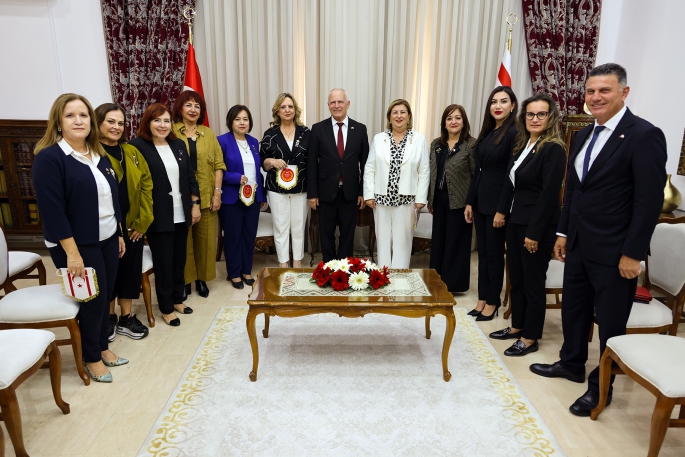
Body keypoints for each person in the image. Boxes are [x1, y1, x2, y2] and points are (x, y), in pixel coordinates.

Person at [529, 63, 667, 416]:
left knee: (610, 325)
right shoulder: (586, 134)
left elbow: (648, 202)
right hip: (577, 245)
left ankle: (601, 388)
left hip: (615, 253)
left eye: (604, 90)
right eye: (590, 91)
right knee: (574, 311)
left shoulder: (644, 135)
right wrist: (562, 233)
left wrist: (633, 254)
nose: (595, 97)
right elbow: (573, 190)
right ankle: (571, 363)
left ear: (624, 92)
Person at [33, 93, 127, 383]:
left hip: (108, 236)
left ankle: (102, 345)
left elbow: (112, 198)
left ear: (91, 121)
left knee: (107, 292)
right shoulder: (50, 158)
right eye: (71, 115)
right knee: (92, 299)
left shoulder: (99, 153)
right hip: (76, 243)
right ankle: (91, 357)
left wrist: (119, 232)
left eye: (83, 115)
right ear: (59, 123)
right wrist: (72, 254)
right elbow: (53, 212)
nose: (78, 120)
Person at [488, 94, 566, 357]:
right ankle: (517, 327)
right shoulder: (524, 145)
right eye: (530, 114)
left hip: (537, 227)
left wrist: (534, 233)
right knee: (517, 280)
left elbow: (548, 195)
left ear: (550, 117)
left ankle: (531, 337)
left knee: (533, 283)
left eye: (541, 114)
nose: (535, 119)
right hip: (516, 222)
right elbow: (512, 184)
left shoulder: (553, 148)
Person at [129, 103, 200, 327]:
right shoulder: (137, 147)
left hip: (182, 212)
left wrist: (195, 204)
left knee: (179, 259)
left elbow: (190, 176)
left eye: (167, 121)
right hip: (158, 215)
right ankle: (166, 307)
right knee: (164, 262)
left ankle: (178, 298)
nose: (162, 125)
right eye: (157, 120)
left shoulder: (178, 145)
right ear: (148, 122)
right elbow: (135, 186)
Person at [95, 103, 154, 341]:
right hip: (107, 229)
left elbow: (147, 186)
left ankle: (126, 317)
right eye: (110, 121)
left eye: (120, 123)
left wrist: (142, 222)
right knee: (110, 274)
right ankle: (108, 316)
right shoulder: (92, 154)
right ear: (97, 123)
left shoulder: (131, 151)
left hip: (133, 227)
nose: (116, 127)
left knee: (130, 271)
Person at [464, 86, 518, 321]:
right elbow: (479, 171)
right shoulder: (487, 132)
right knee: (483, 254)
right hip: (480, 202)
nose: (497, 106)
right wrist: (469, 202)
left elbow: (510, 176)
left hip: (497, 206)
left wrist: (502, 210)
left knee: (495, 256)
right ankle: (482, 299)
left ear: (513, 106)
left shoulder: (514, 133)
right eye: (494, 102)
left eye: (503, 101)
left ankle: (493, 302)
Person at [172, 90, 226, 298]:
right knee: (183, 242)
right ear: (180, 108)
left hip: (207, 195)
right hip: (180, 197)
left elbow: (219, 166)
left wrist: (217, 194)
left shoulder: (209, 133)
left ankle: (202, 279)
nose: (193, 110)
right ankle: (186, 281)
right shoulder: (172, 132)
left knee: (205, 241)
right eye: (188, 105)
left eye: (197, 106)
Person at [363, 99, 429, 268]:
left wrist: (421, 198)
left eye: (402, 112)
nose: (398, 116)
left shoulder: (419, 139)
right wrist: (368, 194)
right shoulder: (379, 139)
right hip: (381, 199)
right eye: (395, 112)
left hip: (407, 199)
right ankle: (383, 275)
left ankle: (400, 276)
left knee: (403, 240)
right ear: (389, 117)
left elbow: (424, 170)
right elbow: (370, 168)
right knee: (383, 239)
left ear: (409, 117)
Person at [307, 89, 369, 261]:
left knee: (347, 235)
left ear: (347, 104)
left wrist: (363, 192)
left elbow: (365, 165)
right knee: (326, 235)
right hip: (325, 193)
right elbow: (311, 163)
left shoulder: (360, 129)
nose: (337, 106)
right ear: (328, 106)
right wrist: (312, 194)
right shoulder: (318, 129)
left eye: (340, 102)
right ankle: (328, 269)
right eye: (333, 102)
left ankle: (344, 269)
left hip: (350, 193)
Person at [217, 105, 267, 289]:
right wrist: (235, 178)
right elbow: (217, 170)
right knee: (233, 236)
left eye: (245, 119)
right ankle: (234, 272)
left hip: (252, 198)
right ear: (231, 121)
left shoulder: (253, 142)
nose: (242, 122)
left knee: (249, 235)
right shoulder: (222, 141)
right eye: (238, 119)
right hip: (231, 198)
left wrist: (262, 195)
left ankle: (246, 270)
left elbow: (257, 171)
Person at [427, 104, 476, 292]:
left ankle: (452, 285)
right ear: (444, 123)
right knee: (438, 241)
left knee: (456, 243)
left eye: (457, 118)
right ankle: (436, 281)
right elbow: (432, 172)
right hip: (439, 200)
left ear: (463, 122)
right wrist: (430, 199)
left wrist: (470, 203)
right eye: (449, 118)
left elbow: (475, 176)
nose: (453, 122)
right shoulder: (436, 144)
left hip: (460, 202)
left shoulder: (471, 145)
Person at [259, 93, 310, 268]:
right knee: (280, 227)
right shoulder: (270, 134)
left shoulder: (306, 133)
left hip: (301, 188)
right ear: (277, 111)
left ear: (295, 110)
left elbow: (312, 161)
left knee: (298, 227)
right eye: (283, 107)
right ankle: (283, 262)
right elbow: (263, 162)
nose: (287, 110)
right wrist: (272, 161)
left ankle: (297, 261)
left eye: (290, 106)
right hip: (276, 189)